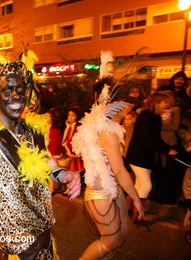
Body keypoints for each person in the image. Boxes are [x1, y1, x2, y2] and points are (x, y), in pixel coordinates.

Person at [0, 59, 81, 259]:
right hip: (19, 249)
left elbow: (46, 164)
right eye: (8, 90)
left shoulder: (33, 129)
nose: (16, 96)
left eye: (21, 90)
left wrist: (65, 175)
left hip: (45, 237)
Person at [72, 84, 144, 260]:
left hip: (113, 190)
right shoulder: (107, 132)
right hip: (100, 195)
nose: (130, 107)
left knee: (119, 239)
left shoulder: (102, 126)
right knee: (110, 241)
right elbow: (119, 170)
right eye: (128, 103)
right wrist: (136, 198)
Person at [126, 92, 178, 208]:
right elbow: (147, 138)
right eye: (165, 102)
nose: (167, 105)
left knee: (140, 186)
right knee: (146, 186)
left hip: (146, 157)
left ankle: (131, 211)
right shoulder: (146, 116)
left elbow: (156, 137)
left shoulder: (155, 117)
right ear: (156, 103)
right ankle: (137, 215)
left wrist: (168, 149)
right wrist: (165, 150)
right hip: (138, 156)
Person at [62, 107, 84, 172]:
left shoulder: (79, 128)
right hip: (69, 158)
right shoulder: (68, 127)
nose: (70, 117)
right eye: (69, 115)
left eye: (73, 115)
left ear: (77, 116)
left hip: (77, 159)